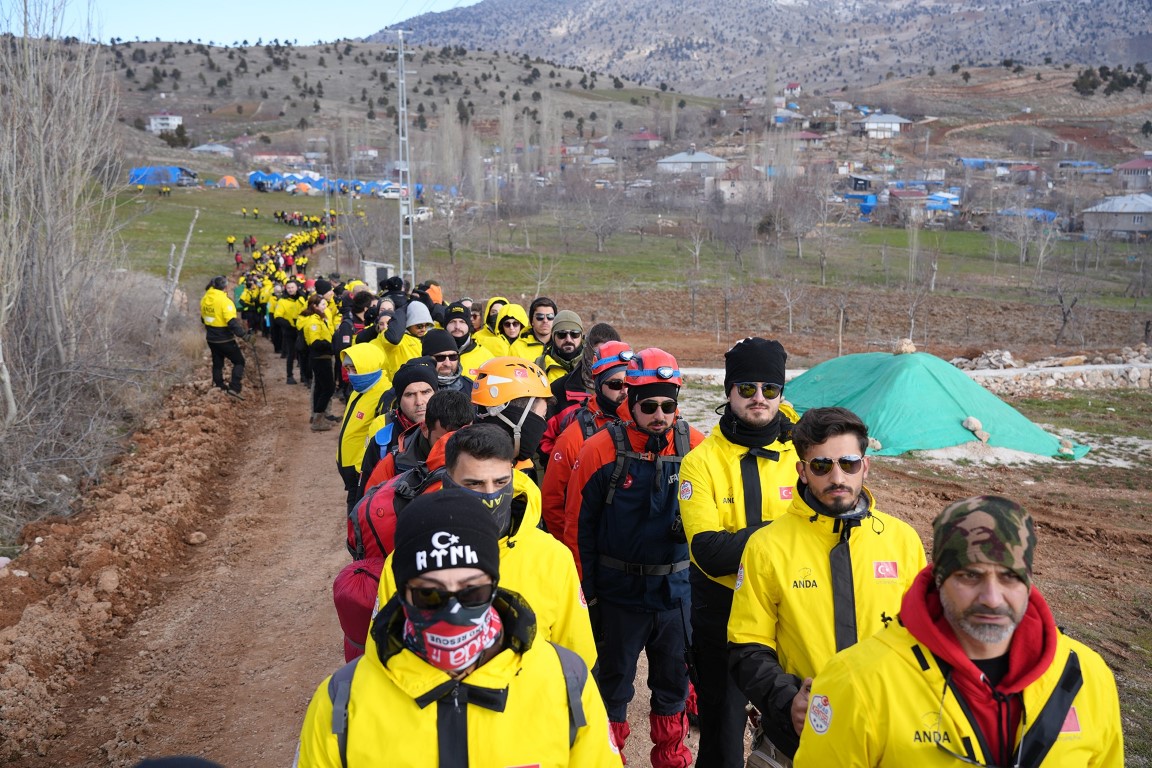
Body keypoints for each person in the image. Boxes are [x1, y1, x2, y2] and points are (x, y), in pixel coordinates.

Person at [794, 495, 1124, 767]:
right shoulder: (858, 681)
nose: (992, 599)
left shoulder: (1085, 676)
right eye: (970, 576)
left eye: (1009, 577)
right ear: (938, 580)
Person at [298, 490, 620, 768]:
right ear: (401, 592)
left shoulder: (566, 684)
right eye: (429, 594)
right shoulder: (341, 703)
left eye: (472, 592)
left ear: (495, 586)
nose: (452, 612)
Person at [727, 407, 927, 760]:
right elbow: (747, 647)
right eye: (821, 466)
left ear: (865, 465)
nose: (838, 477)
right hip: (798, 742)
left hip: (888, 738)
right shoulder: (766, 546)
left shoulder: (902, 540)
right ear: (802, 471)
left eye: (848, 463)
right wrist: (788, 702)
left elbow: (925, 638)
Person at [364, 423, 598, 670]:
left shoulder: (553, 558)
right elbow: (382, 649)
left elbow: (577, 657)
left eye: (500, 482)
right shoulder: (410, 559)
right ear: (448, 482)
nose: (490, 495)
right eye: (474, 484)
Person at [570, 348, 704, 766]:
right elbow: (578, 530)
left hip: (675, 594)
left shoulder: (695, 447)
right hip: (618, 596)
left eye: (669, 405)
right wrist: (585, 597)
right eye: (649, 405)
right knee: (613, 687)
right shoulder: (599, 450)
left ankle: (672, 759)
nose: (660, 414)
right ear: (630, 401)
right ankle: (608, 759)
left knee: (673, 686)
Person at [678, 337, 800, 768]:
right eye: (747, 388)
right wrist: (786, 532)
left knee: (794, 730)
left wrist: (748, 541)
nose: (759, 399)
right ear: (728, 392)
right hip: (722, 613)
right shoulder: (701, 462)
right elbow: (708, 551)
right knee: (723, 735)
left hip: (790, 606)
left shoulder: (803, 454)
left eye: (770, 389)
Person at [540, 340, 632, 544]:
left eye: (630, 383)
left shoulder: (651, 425)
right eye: (616, 384)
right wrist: (573, 553)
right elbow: (553, 502)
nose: (624, 391)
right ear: (598, 385)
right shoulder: (575, 436)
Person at [471, 356, 552, 483]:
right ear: (516, 417)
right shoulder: (464, 478)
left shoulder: (520, 464)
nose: (544, 426)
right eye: (542, 415)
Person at [337, 344, 392, 513]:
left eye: (355, 369)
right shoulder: (359, 390)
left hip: (361, 472)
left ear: (368, 365)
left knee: (356, 516)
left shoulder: (384, 395)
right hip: (351, 472)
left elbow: (380, 437)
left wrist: (360, 468)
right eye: (348, 369)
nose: (350, 374)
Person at [199, 276, 247, 399]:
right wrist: (244, 335)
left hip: (211, 338)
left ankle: (219, 384)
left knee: (217, 362)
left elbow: (203, 319)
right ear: (225, 287)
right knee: (239, 361)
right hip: (224, 338)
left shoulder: (205, 298)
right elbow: (232, 322)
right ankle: (234, 388)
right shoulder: (225, 301)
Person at [300, 294, 338, 431]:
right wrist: (330, 346)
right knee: (328, 388)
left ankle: (317, 416)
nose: (325, 307)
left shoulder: (319, 318)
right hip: (320, 358)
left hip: (323, 357)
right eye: (322, 305)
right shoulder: (313, 322)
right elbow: (314, 342)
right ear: (314, 306)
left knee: (321, 388)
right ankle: (318, 420)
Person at [442, 300, 494, 377]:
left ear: (469, 325)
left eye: (462, 322)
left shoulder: (485, 357)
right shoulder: (435, 354)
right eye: (452, 322)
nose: (457, 327)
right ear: (445, 325)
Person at [535, 310, 584, 384]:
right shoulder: (539, 366)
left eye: (574, 334)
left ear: (581, 337)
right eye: (562, 334)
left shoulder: (593, 364)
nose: (568, 339)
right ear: (553, 337)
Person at [421, 329, 474, 394]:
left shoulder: (470, 387)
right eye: (440, 358)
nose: (447, 364)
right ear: (426, 359)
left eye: (453, 357)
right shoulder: (416, 388)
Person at [274, 279, 306, 383]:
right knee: (291, 354)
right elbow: (277, 316)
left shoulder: (302, 298)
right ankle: (289, 376)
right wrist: (288, 324)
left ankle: (304, 375)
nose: (290, 289)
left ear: (297, 287)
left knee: (302, 353)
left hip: (302, 330)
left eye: (292, 287)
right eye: (288, 288)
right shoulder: (282, 301)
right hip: (289, 331)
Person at [510, 296, 557, 360]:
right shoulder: (517, 348)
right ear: (532, 321)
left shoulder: (562, 344)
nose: (545, 321)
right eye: (540, 317)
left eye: (550, 317)